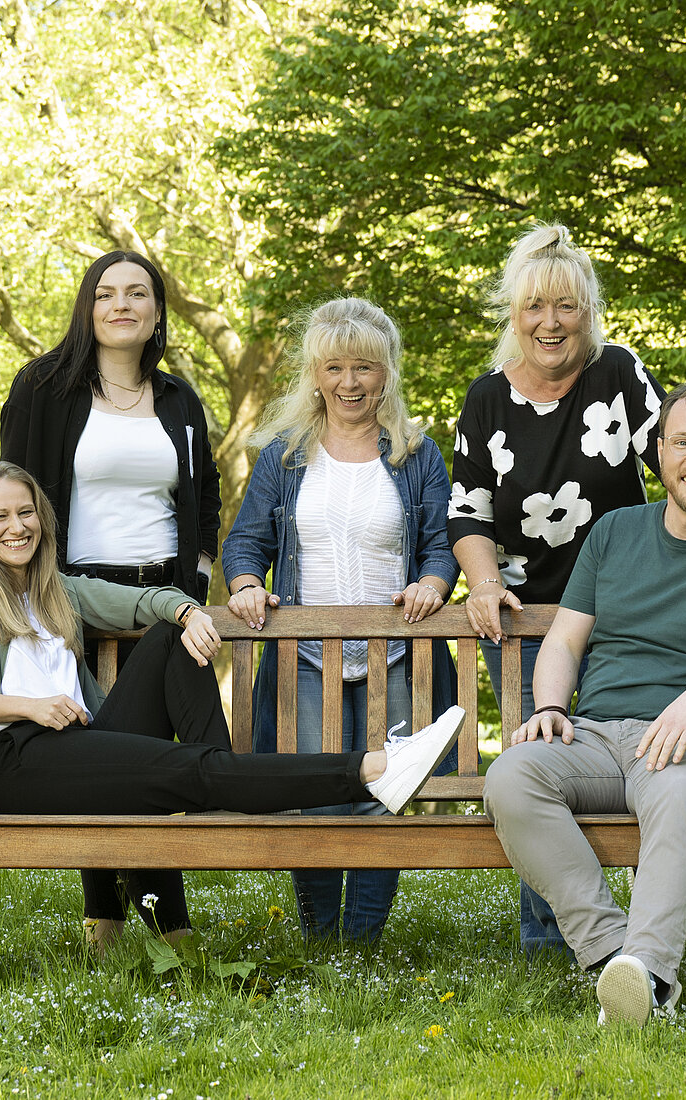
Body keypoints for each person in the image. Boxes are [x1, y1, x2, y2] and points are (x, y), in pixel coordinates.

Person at [0, 461, 466, 945]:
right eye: (0, 517)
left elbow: (146, 601)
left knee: (168, 638)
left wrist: (187, 613)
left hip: (76, 746)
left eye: (26, 512)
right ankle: (373, 769)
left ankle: (217, 783)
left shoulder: (55, 589)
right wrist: (26, 707)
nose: (17, 527)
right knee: (188, 769)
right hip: (16, 760)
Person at [483, 382, 686, 1027]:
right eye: (681, 442)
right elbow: (564, 641)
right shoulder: (615, 533)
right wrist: (550, 707)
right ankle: (611, 959)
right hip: (597, 737)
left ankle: (650, 979)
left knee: (676, 791)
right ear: (658, 452)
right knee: (512, 775)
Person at [448, 223, 666, 953]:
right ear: (513, 313)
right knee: (534, 765)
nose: (550, 322)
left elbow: (678, 465)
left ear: (588, 311)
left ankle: (633, 929)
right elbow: (468, 510)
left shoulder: (619, 374)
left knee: (617, 765)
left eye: (567, 306)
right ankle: (549, 940)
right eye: (535, 306)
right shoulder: (485, 398)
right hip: (523, 618)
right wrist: (482, 583)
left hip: (620, 617)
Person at [0, 250, 220, 951]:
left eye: (137, 293)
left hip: (165, 599)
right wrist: (29, 598)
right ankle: (123, 922)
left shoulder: (180, 400)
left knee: (144, 752)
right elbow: (11, 497)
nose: (121, 304)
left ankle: (150, 922)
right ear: (87, 307)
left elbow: (204, 499)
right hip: (74, 597)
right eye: (106, 293)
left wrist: (196, 585)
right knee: (95, 753)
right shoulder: (43, 388)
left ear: (157, 311)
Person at [221, 297, 459, 944]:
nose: (349, 382)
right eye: (334, 368)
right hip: (304, 658)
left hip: (396, 655)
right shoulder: (284, 456)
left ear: (387, 373)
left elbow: (442, 544)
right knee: (315, 795)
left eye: (364, 367)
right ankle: (321, 940)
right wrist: (247, 585)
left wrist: (433, 584)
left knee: (387, 793)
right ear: (314, 374)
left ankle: (362, 944)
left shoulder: (417, 454)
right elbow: (245, 544)